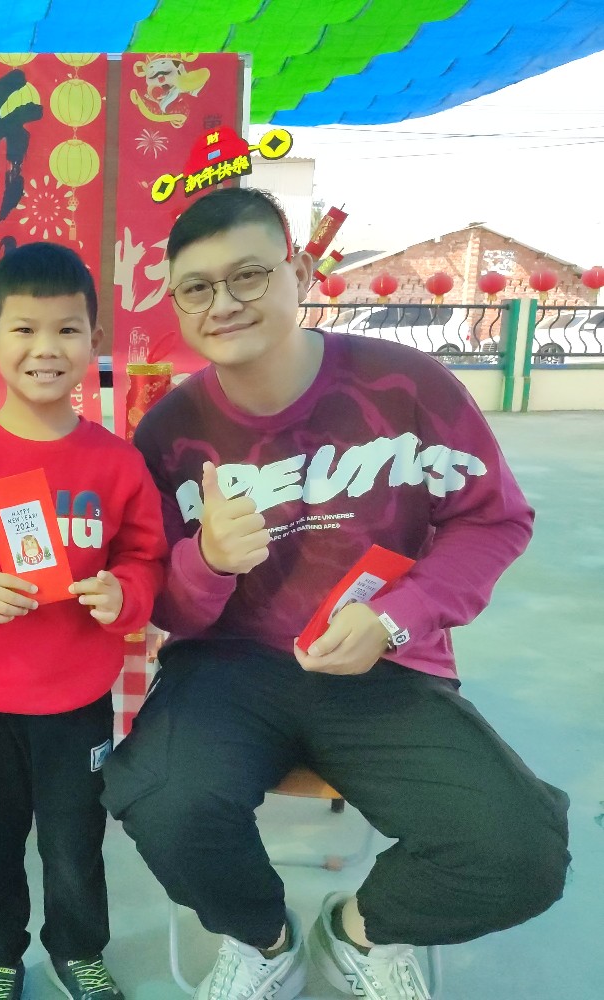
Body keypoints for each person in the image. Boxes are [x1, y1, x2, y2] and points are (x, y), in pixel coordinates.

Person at [101, 187, 571, 1000]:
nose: (223, 303)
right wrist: (206, 561)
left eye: (248, 275)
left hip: (384, 668)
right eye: (196, 288)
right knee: (157, 797)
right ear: (175, 302)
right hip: (226, 671)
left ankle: (358, 931)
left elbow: (491, 520)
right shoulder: (168, 433)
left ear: (298, 271)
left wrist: (395, 619)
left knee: (517, 850)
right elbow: (160, 606)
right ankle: (263, 939)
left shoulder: (406, 385)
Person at [0, 242, 167, 1000]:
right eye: (24, 329)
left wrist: (124, 592)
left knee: (74, 843)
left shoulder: (117, 463)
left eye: (66, 330)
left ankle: (78, 950)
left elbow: (146, 558)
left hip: (76, 698)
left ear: (93, 341)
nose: (45, 349)